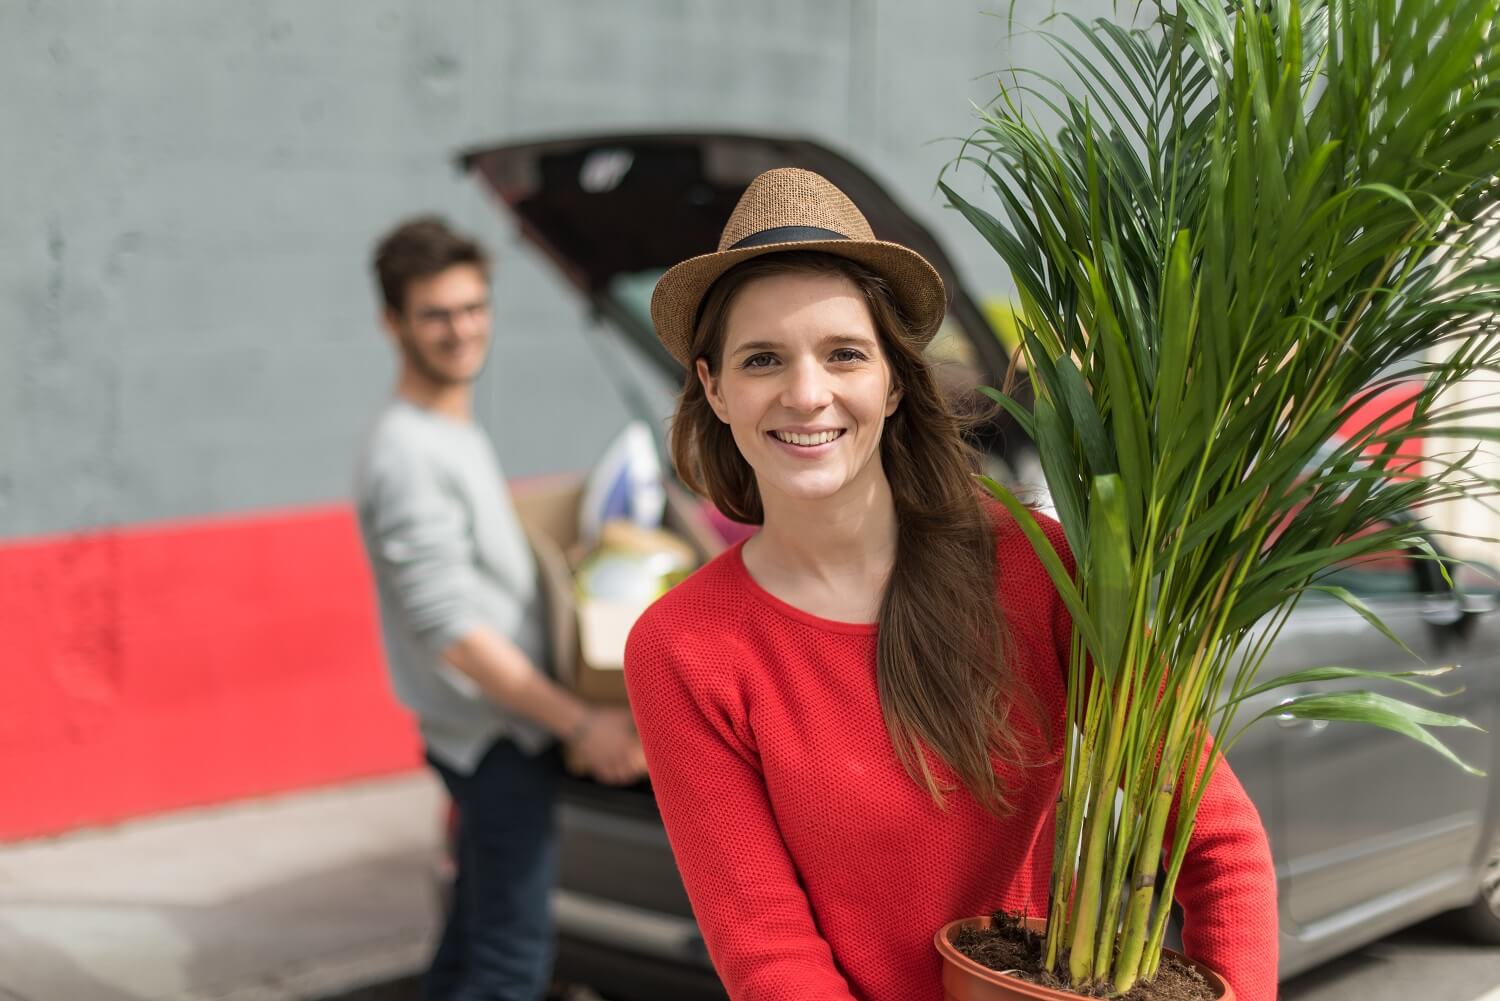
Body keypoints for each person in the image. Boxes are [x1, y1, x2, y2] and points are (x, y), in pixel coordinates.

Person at [622, 170, 1278, 1001]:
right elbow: (766, 951)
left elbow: (1220, 843)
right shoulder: (684, 646)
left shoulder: (1038, 567)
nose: (807, 393)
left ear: (893, 381)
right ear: (715, 388)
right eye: (763, 360)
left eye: (844, 354)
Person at [354, 216, 646, 1001]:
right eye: (436, 314)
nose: (462, 330)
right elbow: (452, 629)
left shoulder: (449, 429)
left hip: (493, 736)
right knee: (510, 964)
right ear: (393, 323)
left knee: (470, 944)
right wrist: (581, 721)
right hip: (494, 741)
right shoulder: (408, 455)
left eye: (474, 307)